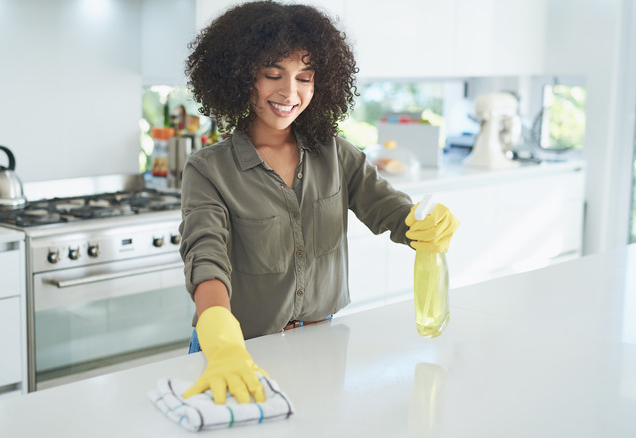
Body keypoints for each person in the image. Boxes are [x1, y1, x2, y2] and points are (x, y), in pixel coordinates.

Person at [178, 1, 459, 405]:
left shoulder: (336, 155)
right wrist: (221, 338)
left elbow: (393, 214)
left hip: (320, 343)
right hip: (237, 352)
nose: (289, 92)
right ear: (240, 77)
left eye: (304, 77)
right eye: (272, 74)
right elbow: (206, 257)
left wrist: (426, 222)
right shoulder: (209, 169)